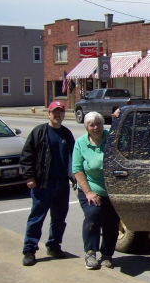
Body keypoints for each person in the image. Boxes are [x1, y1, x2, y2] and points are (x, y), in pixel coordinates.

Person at [20, 100, 75, 266]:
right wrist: (29, 177)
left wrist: (75, 178)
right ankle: (29, 250)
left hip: (62, 185)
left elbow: (74, 159)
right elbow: (27, 156)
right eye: (54, 112)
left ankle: (54, 245)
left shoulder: (66, 134)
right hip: (42, 184)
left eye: (61, 112)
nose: (58, 115)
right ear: (49, 114)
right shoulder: (39, 132)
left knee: (59, 218)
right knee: (37, 218)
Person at [72, 111, 120, 270]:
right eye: (92, 124)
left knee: (111, 223)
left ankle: (107, 255)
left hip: (113, 190)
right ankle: (90, 253)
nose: (96, 127)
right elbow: (77, 170)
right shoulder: (80, 143)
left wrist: (118, 116)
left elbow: (124, 133)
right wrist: (88, 192)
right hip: (90, 188)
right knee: (93, 215)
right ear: (86, 127)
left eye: (98, 123)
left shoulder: (111, 138)